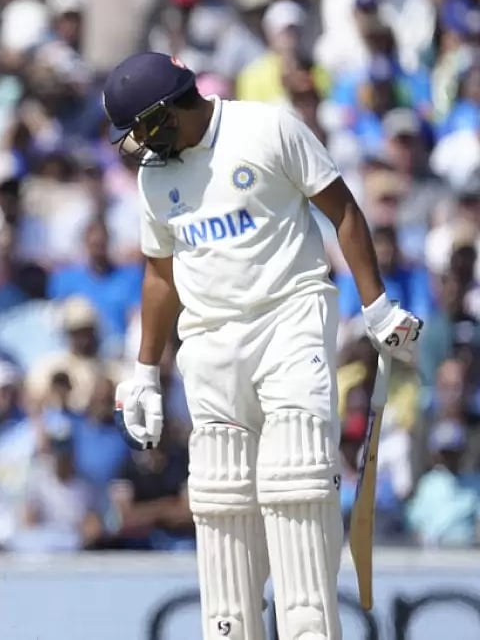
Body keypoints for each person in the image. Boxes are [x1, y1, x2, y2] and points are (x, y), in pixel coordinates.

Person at [106, 52, 424, 640]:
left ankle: (308, 630)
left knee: (296, 480)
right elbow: (159, 273)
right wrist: (146, 372)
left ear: (171, 106)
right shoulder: (157, 175)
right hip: (209, 343)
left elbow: (344, 211)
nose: (139, 144)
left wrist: (376, 305)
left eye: (143, 127)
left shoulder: (267, 128)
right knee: (220, 498)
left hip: (290, 320)